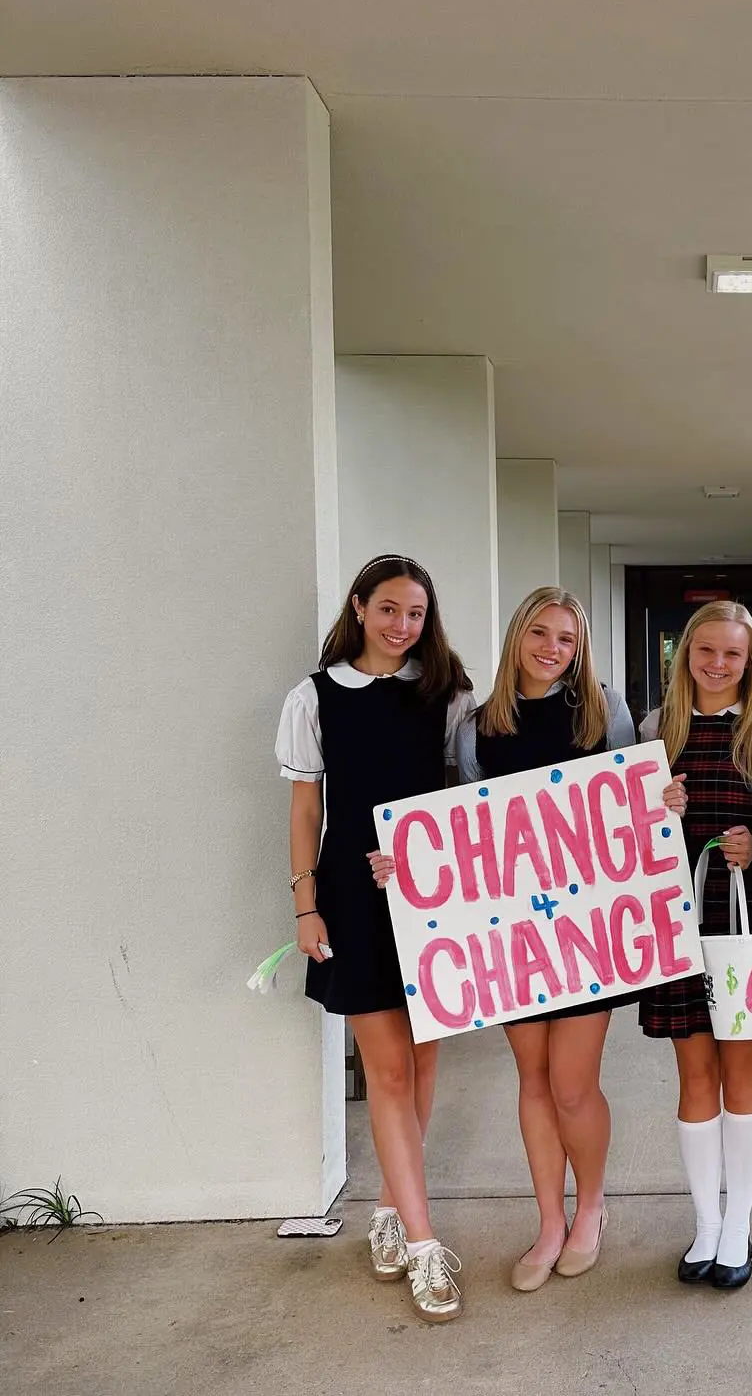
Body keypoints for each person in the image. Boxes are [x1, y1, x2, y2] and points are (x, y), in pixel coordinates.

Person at [375, 586, 634, 1293]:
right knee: (534, 1081)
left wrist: (662, 800)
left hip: (591, 930)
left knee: (574, 1086)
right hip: (513, 937)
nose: (554, 648)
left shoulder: (604, 709)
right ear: (519, 634)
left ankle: (592, 1206)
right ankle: (549, 1221)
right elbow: (463, 829)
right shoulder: (476, 725)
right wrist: (409, 861)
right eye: (542, 633)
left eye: (568, 639)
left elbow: (631, 812)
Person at [276, 554, 474, 1323]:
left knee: (423, 1065)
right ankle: (424, 1247)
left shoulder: (447, 695)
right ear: (359, 607)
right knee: (387, 1071)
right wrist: (306, 905)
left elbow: (470, 800)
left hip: (433, 899)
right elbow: (304, 812)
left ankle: (392, 1208)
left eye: (416, 613)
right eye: (388, 608)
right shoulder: (315, 696)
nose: (402, 625)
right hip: (356, 900)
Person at [643, 601, 752, 1291]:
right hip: (677, 922)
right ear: (684, 653)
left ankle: (739, 1223)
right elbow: (624, 834)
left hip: (749, 927)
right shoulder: (657, 729)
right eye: (706, 650)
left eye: (733, 654)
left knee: (741, 1079)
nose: (718, 663)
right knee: (694, 1078)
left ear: (750, 663)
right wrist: (653, 808)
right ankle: (705, 1226)